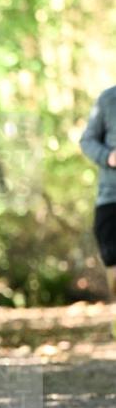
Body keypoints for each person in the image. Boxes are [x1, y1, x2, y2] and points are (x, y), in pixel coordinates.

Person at [80, 85, 116, 332]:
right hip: (111, 198)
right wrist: (108, 156)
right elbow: (87, 140)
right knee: (113, 261)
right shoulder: (108, 99)